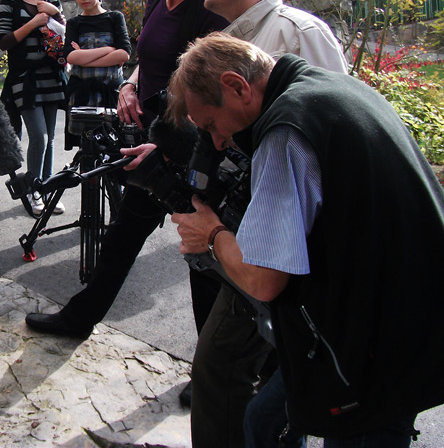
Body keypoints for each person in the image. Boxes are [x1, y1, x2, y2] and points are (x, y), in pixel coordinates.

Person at [168, 32, 444, 447]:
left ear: (236, 86)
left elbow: (264, 279)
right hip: (407, 319)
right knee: (264, 422)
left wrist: (212, 235)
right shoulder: (332, 85)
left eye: (211, 124)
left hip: (375, 353)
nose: (217, 141)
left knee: (358, 429)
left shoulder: (286, 129)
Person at [26, 0, 228, 361]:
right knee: (122, 237)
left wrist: (174, 141)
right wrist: (132, 85)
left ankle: (211, 368)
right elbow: (146, 61)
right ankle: (79, 319)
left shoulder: (209, 1)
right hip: (152, 138)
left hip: (194, 146)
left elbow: (213, 89)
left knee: (200, 254)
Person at [183, 0, 348, 448]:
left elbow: (332, 131)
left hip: (291, 251)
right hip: (256, 235)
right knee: (265, 387)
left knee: (231, 370)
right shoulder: (229, 40)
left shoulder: (298, 32)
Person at [0, 0, 68, 221]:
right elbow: (3, 41)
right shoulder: (9, 1)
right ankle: (32, 189)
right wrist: (34, 22)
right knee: (40, 136)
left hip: (51, 74)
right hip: (23, 77)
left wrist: (55, 13)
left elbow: (64, 33)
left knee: (49, 139)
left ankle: (44, 188)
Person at [63, 0, 131, 149]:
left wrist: (83, 57)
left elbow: (124, 53)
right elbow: (70, 56)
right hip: (83, 98)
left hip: (110, 93)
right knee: (86, 151)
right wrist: (109, 50)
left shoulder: (115, 18)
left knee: (114, 148)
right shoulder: (74, 23)